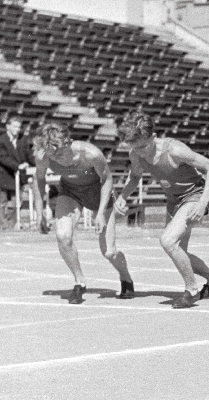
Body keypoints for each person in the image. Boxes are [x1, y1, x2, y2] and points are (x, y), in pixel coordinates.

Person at [115, 111, 209, 309]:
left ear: (153, 137)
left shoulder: (175, 150)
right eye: (135, 147)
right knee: (180, 252)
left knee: (168, 240)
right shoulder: (136, 153)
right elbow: (135, 177)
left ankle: (192, 290)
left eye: (144, 146)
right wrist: (122, 197)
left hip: (194, 196)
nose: (141, 151)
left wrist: (203, 202)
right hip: (174, 201)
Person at [31, 122, 134, 304]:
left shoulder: (90, 153)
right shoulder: (43, 156)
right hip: (70, 191)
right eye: (52, 153)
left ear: (68, 142)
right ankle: (80, 281)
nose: (58, 158)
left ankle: (126, 277)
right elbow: (38, 180)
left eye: (61, 152)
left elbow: (107, 179)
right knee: (63, 236)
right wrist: (39, 213)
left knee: (109, 252)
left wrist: (101, 212)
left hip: (98, 192)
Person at [0, 116, 33, 229]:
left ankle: (11, 225)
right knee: (1, 202)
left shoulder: (23, 139)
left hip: (17, 177)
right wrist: (18, 166)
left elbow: (29, 156)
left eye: (19, 127)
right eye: (15, 126)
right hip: (3, 176)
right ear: (8, 126)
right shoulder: (0, 140)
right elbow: (2, 158)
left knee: (16, 202)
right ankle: (4, 226)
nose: (17, 129)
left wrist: (40, 164)